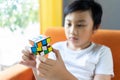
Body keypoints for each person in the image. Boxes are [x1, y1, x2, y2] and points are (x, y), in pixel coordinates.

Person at [20, 0, 114, 80]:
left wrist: (63, 75)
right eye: (68, 24)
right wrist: (36, 67)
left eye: (80, 25)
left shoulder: (102, 52)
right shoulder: (57, 47)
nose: (72, 31)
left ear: (95, 27)